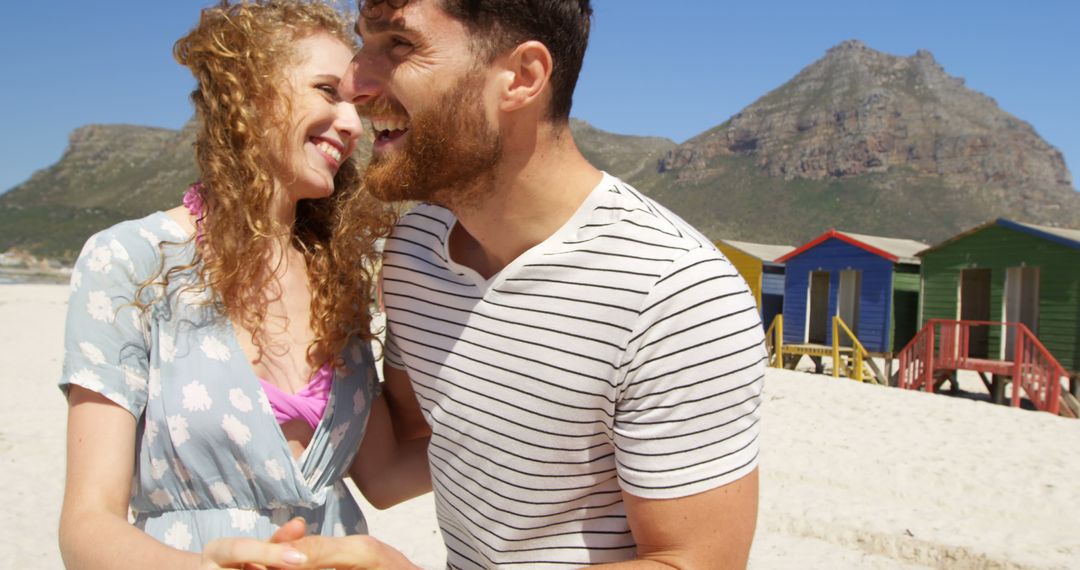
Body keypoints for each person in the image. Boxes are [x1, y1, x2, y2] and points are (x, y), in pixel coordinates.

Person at [287, 0, 766, 568]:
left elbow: (696, 561)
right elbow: (398, 467)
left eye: (399, 45)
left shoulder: (675, 294)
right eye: (363, 43)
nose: (352, 82)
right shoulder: (414, 254)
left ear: (522, 77)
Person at [57, 2, 429, 568]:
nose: (354, 124)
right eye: (328, 90)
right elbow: (87, 525)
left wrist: (546, 437)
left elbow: (383, 475)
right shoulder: (132, 260)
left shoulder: (339, 277)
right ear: (251, 95)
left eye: (355, 103)